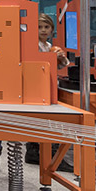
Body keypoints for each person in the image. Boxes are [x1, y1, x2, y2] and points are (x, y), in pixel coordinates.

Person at [28, 13, 71, 165]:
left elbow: (62, 65)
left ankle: (36, 150)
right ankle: (48, 155)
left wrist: (61, 57)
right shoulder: (33, 46)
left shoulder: (49, 46)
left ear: (52, 30)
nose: (43, 30)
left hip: (48, 86)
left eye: (47, 27)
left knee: (46, 120)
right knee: (46, 120)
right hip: (37, 87)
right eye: (39, 27)